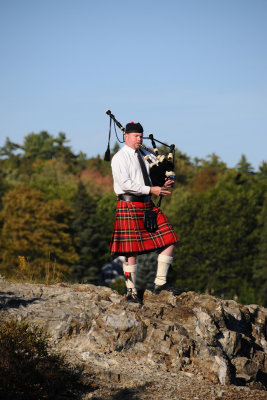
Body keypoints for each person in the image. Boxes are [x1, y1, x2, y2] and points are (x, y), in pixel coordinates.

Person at [109, 121, 179, 303]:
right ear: (126, 136)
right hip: (129, 205)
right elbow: (125, 184)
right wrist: (151, 190)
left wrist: (165, 181)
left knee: (169, 239)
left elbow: (157, 175)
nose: (139, 139)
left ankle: (160, 284)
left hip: (147, 205)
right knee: (130, 251)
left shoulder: (147, 155)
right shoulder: (119, 158)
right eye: (136, 136)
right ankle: (131, 291)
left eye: (141, 136)